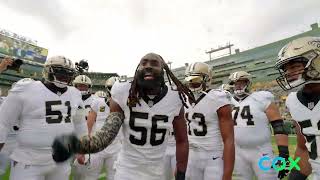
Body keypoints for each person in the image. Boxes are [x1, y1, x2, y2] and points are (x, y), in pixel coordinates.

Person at [52, 52, 195, 180]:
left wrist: (181, 173)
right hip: (127, 170)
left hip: (157, 172)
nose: (148, 66)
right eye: (143, 63)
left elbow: (182, 140)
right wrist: (78, 145)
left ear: (163, 70)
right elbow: (106, 135)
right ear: (137, 69)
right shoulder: (124, 91)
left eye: (154, 63)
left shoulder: (174, 97)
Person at [0, 56, 86, 180]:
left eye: (68, 74)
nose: (64, 77)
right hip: (29, 160)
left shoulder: (75, 94)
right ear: (48, 71)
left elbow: (80, 123)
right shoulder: (26, 89)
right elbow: (3, 122)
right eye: (60, 73)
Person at [228, 71, 289, 180]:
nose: (238, 85)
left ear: (249, 83)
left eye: (241, 82)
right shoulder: (228, 102)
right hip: (238, 153)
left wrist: (284, 154)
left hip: (261, 152)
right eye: (235, 83)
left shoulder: (261, 98)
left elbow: (279, 126)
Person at [275, 36, 320, 180]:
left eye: (294, 66)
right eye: (286, 69)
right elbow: (303, 148)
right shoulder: (293, 101)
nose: (288, 73)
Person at [183, 62, 235, 180]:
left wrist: (227, 174)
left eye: (196, 79)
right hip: (191, 156)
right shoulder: (183, 98)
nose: (192, 83)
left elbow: (229, 139)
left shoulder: (218, 98)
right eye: (190, 79)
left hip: (213, 157)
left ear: (207, 79)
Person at [77, 77, 121, 180]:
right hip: (97, 146)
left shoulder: (126, 105)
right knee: (90, 176)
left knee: (114, 177)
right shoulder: (98, 102)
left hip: (116, 147)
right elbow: (88, 126)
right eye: (112, 87)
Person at [72, 74, 99, 180]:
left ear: (89, 87)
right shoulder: (69, 98)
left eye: (85, 86)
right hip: (70, 135)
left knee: (81, 169)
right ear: (75, 86)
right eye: (80, 86)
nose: (82, 88)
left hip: (87, 136)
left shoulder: (96, 100)